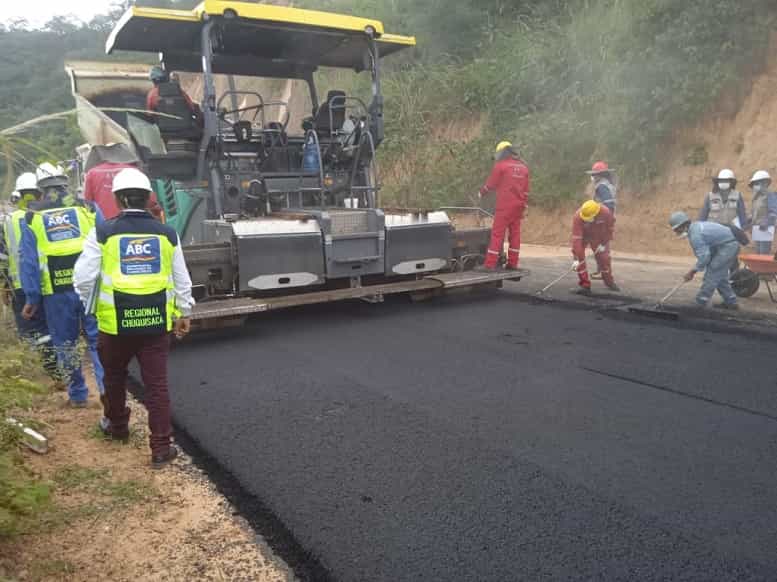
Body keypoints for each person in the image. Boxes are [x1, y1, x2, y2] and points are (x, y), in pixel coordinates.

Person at [74, 168, 195, 469]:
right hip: (155, 325)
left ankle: (117, 428)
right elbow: (181, 278)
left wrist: (89, 305)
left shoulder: (103, 231)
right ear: (147, 198)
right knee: (157, 386)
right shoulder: (167, 233)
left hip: (114, 325)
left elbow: (84, 277)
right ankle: (161, 448)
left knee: (114, 377)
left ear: (117, 198)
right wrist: (184, 312)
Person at [19, 163, 106, 408]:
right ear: (65, 182)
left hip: (56, 293)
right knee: (98, 340)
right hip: (91, 288)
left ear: (40, 189)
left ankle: (78, 395)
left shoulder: (32, 217)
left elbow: (29, 262)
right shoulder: (88, 208)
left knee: (65, 342)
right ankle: (106, 389)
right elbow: (106, 244)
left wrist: (32, 297)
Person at [1, 174, 58, 381]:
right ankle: (55, 368)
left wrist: (4, 286)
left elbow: (3, 257)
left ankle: (41, 372)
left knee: (30, 331)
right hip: (46, 283)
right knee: (50, 327)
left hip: (19, 285)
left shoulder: (8, 220)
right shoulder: (44, 216)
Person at [669, 211, 739, 310]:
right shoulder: (695, 228)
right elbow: (706, 254)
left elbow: (704, 256)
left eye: (677, 229)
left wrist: (692, 272)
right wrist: (694, 270)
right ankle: (731, 302)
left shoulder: (695, 235)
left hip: (728, 246)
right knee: (720, 275)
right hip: (724, 245)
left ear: (683, 225)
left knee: (712, 272)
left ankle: (700, 302)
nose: (677, 232)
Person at [477, 141, 530, 271]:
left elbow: (491, 184)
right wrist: (523, 204)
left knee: (497, 235)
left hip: (504, 206)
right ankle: (513, 264)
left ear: (502, 152)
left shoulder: (501, 166)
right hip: (518, 207)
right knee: (515, 235)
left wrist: (481, 192)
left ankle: (489, 265)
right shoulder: (524, 167)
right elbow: (526, 190)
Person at [82, 144, 163, 220]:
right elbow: (151, 201)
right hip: (135, 223)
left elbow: (88, 203)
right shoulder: (134, 171)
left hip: (103, 225)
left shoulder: (92, 173)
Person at [572, 200, 619, 295]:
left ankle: (609, 282)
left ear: (596, 213)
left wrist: (604, 243)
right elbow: (576, 239)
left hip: (598, 237)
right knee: (579, 257)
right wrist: (576, 259)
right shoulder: (578, 217)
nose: (586, 220)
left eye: (588, 218)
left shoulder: (606, 213)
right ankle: (585, 285)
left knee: (604, 258)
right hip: (583, 236)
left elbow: (610, 229)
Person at [747, 170, 777, 255]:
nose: (755, 186)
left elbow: (774, 212)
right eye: (754, 183)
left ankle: (764, 269)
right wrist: (750, 221)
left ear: (765, 183)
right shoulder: (756, 198)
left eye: (757, 183)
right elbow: (753, 213)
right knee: (757, 253)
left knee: (763, 253)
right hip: (757, 228)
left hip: (766, 229)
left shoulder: (771, 195)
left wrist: (766, 222)